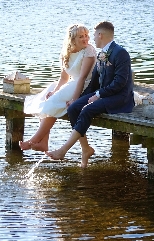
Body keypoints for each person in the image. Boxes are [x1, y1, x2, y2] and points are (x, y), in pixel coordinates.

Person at [46, 21, 134, 167]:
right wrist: (78, 99)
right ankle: (85, 149)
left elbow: (120, 83)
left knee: (88, 109)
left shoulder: (120, 53)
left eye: (93, 35)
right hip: (104, 94)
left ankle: (63, 150)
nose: (92, 38)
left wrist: (98, 95)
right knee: (74, 108)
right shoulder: (101, 54)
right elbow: (93, 83)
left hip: (120, 98)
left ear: (100, 35)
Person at [20, 24, 97, 152]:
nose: (86, 39)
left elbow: (83, 77)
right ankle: (44, 142)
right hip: (73, 82)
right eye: (81, 37)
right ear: (72, 39)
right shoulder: (65, 52)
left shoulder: (88, 51)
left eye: (86, 35)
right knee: (47, 97)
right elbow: (63, 78)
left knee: (53, 102)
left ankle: (34, 140)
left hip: (86, 84)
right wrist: (54, 91)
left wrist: (74, 99)